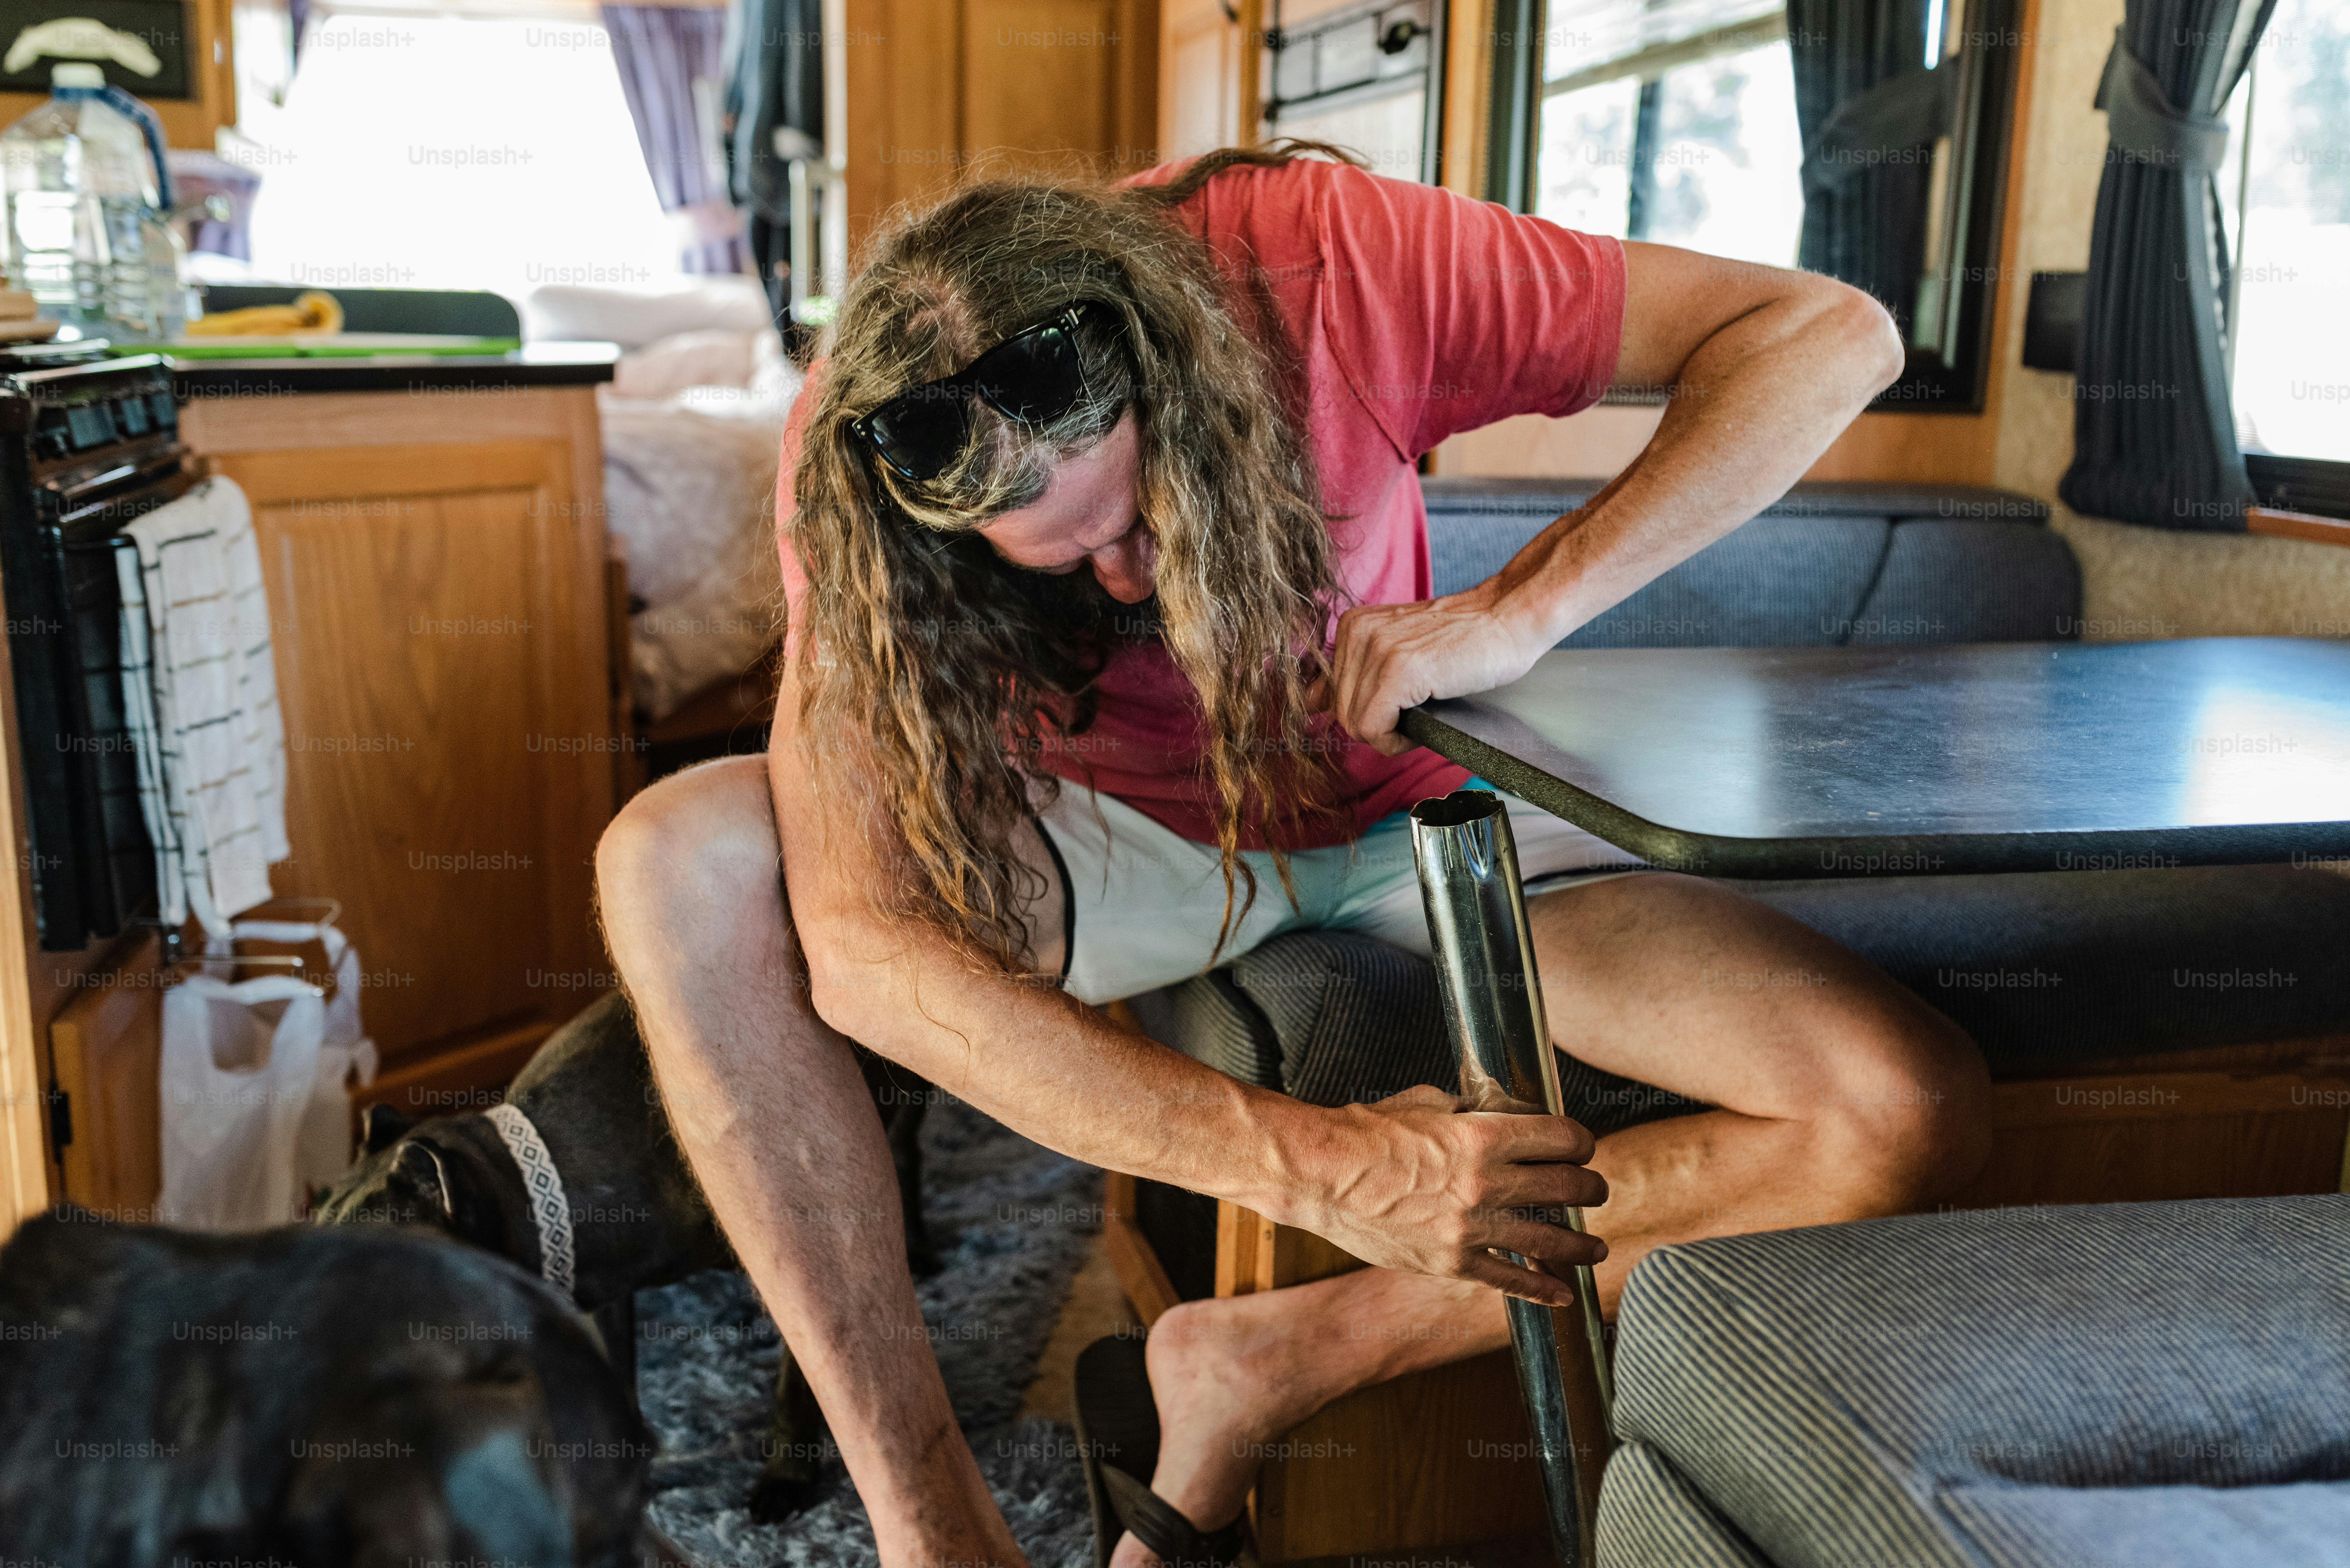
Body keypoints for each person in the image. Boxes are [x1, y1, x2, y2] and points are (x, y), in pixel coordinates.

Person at [596, 142, 1993, 1568]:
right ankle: (932, 1532)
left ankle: (1271, 1359)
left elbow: (1827, 332)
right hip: (1112, 834)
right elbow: (864, 949)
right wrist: (1323, 1171)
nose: (1128, 580)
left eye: (1139, 516)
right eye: (1062, 568)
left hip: (1418, 811)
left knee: (1897, 1104)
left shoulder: (1327, 258)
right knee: (672, 860)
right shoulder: (861, 451)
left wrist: (1521, 606)